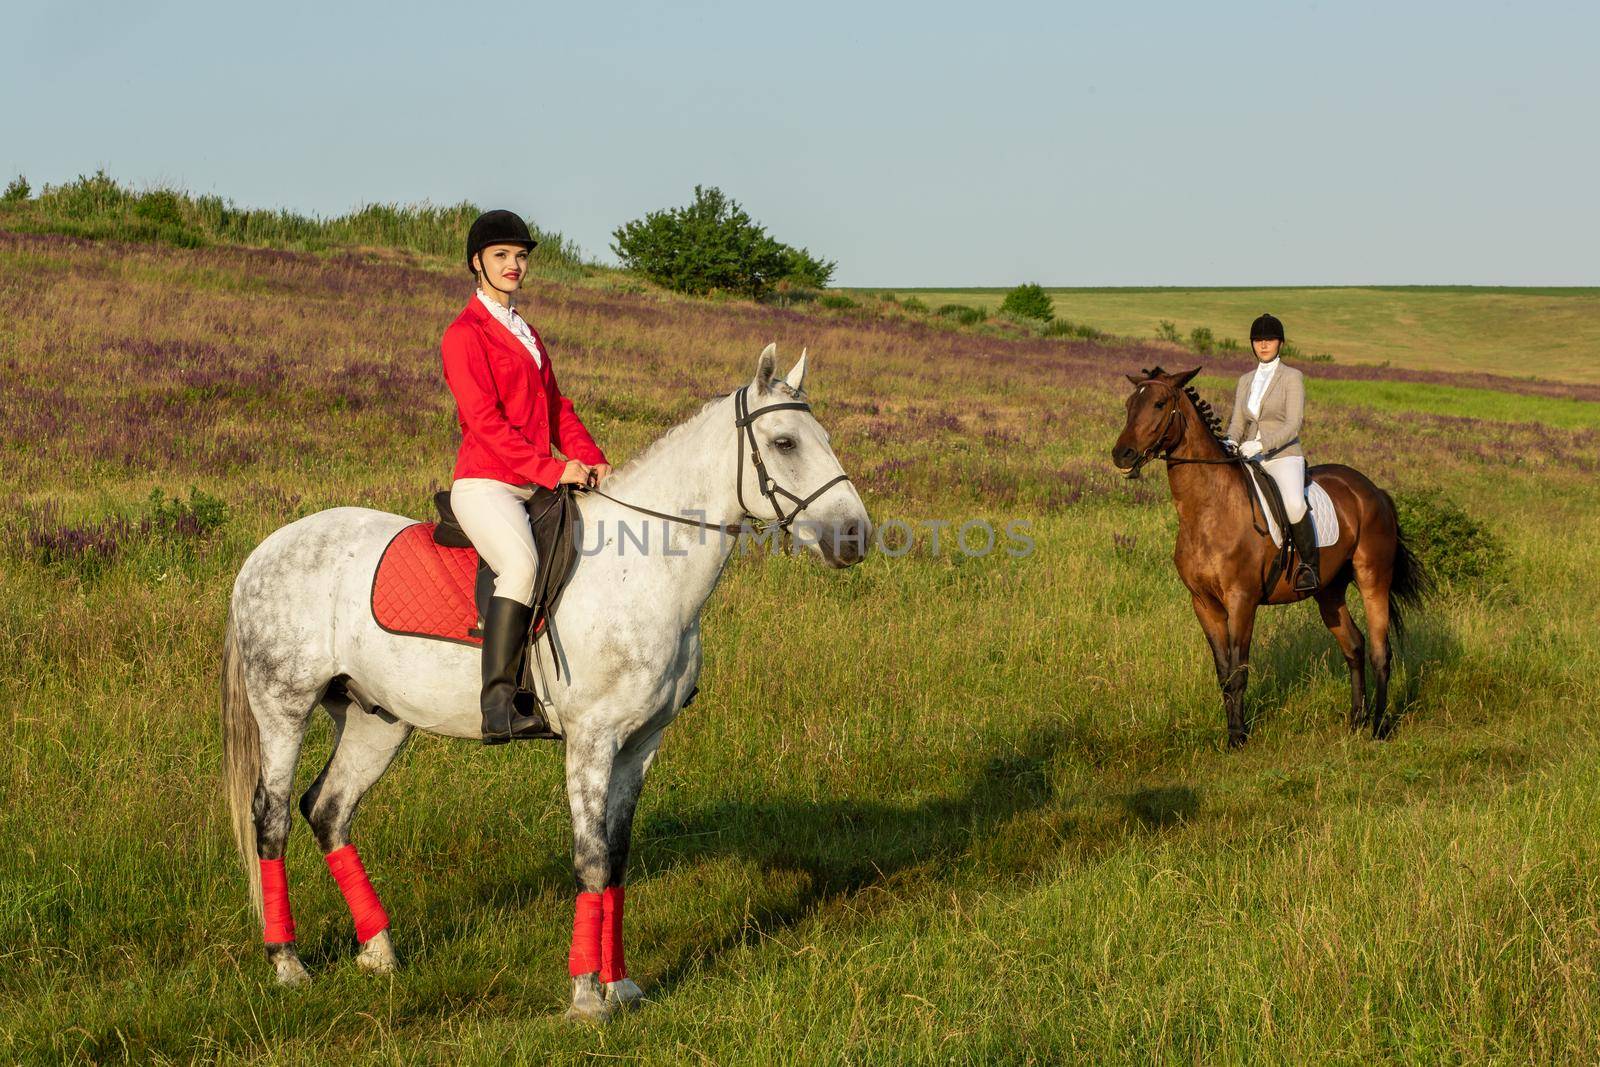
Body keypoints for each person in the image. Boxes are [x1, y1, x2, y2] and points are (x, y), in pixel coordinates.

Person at [440, 209, 611, 743]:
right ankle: (500, 705)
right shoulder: (464, 334)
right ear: (477, 263)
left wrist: (591, 455)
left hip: (534, 481)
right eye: (501, 256)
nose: (514, 265)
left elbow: (557, 407)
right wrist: (554, 468)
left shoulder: (526, 331)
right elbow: (486, 424)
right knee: (519, 565)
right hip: (487, 482)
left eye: (520, 256)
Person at [1225, 312, 1319, 592]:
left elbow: (1293, 424)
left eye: (1269, 340)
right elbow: (1238, 422)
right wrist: (1230, 441)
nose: (1263, 345)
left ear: (1280, 343)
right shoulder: (1245, 380)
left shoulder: (1292, 377)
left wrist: (1263, 444)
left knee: (1293, 503)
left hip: (1282, 455)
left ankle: (1310, 567)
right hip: (1248, 456)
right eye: (1258, 340)